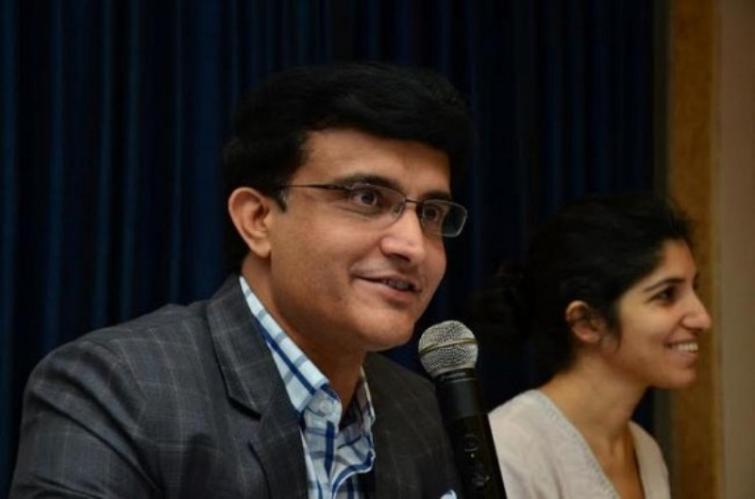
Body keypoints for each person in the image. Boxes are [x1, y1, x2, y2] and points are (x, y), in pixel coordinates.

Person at [10, 62, 473, 498]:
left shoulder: (422, 411)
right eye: (367, 198)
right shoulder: (117, 388)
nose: (412, 245)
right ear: (257, 219)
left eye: (431, 213)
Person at [486, 194, 711, 499]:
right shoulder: (510, 452)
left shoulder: (646, 450)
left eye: (693, 288)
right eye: (666, 295)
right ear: (587, 322)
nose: (702, 318)